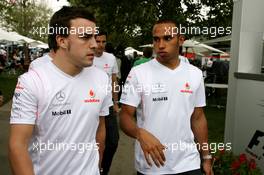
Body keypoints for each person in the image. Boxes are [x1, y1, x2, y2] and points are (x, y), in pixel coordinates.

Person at [8, 6, 112, 175]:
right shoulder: (32, 82)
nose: (94, 44)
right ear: (62, 41)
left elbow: (100, 128)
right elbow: (17, 145)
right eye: (85, 37)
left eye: (94, 36)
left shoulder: (101, 78)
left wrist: (97, 166)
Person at [120, 19, 212, 175]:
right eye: (156, 39)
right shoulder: (139, 73)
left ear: (180, 39)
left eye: (167, 38)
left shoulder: (195, 74)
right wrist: (139, 133)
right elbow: (125, 116)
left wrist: (206, 156)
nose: (161, 45)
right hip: (152, 164)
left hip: (188, 162)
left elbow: (198, 118)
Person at [93, 31, 120, 175]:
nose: (101, 45)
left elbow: (114, 81)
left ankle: (103, 170)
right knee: (93, 142)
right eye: (98, 41)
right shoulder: (87, 57)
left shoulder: (110, 58)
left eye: (104, 42)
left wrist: (116, 103)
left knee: (113, 141)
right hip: (90, 106)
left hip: (108, 105)